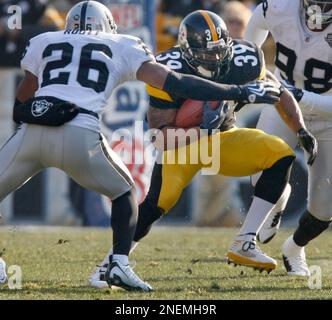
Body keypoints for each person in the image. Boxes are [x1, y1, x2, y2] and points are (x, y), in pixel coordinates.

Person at [0, 1, 280, 292]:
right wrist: (237, 91)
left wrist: (27, 114)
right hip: (80, 134)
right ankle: (119, 263)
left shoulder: (45, 40)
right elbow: (178, 82)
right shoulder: (123, 43)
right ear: (108, 25)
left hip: (33, 133)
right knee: (124, 193)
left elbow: (24, 96)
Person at [90, 10, 317, 288]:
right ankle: (108, 265)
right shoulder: (168, 68)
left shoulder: (243, 59)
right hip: (182, 146)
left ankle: (245, 241)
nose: (213, 58)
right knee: (155, 205)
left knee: (280, 154)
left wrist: (301, 130)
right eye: (205, 53)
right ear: (186, 50)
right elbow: (159, 139)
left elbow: (279, 93)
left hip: (223, 139)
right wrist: (202, 130)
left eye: (218, 51)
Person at [245, 0, 332, 276]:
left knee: (324, 208)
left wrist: (302, 98)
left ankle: (294, 247)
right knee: (259, 168)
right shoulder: (280, 7)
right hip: (283, 104)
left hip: (327, 116)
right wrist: (250, 65)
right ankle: (278, 200)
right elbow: (254, 31)